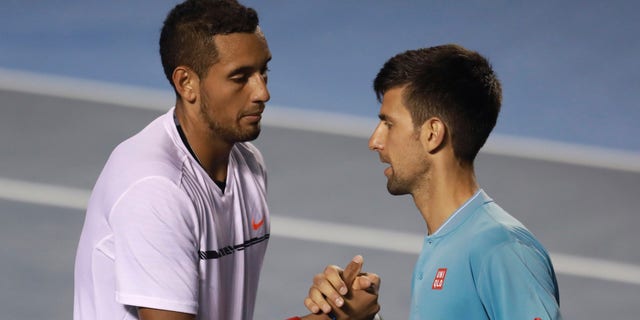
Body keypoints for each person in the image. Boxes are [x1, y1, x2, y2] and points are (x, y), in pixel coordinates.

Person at [72, 1, 379, 319]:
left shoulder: (248, 164)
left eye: (264, 71)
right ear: (186, 83)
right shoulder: (154, 189)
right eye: (240, 77)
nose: (262, 92)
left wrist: (338, 301)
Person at [305, 44, 562, 319]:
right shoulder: (445, 242)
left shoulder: (501, 250)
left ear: (432, 133)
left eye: (388, 124)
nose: (374, 142)